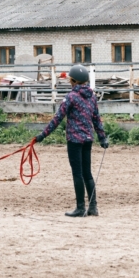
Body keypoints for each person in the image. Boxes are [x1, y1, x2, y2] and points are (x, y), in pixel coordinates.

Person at [34, 64, 108, 217]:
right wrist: (102, 137)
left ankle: (80, 208)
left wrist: (43, 135)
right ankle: (93, 207)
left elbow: (57, 118)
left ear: (73, 81)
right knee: (87, 173)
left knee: (77, 174)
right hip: (88, 139)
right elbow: (97, 120)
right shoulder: (92, 97)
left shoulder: (71, 97)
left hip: (74, 140)